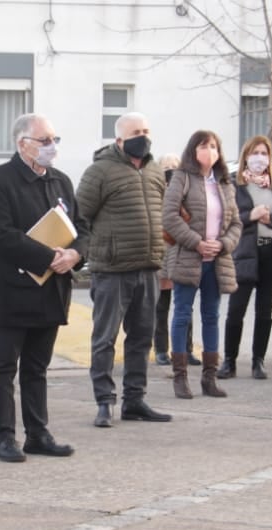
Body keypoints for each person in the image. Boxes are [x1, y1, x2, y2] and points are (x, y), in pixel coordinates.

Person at [0, 113, 87, 462]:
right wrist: (47, 256)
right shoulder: (1, 180)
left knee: (37, 366)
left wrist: (74, 255)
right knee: (5, 365)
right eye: (44, 141)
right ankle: (4, 437)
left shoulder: (61, 181)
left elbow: (82, 228)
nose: (51, 147)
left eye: (54, 140)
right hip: (18, 287)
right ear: (22, 143)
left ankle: (38, 433)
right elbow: (1, 234)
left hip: (53, 288)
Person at [77, 111, 171, 427]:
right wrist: (82, 254)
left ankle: (135, 400)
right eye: (135, 132)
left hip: (148, 267)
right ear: (119, 139)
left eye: (146, 130)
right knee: (105, 339)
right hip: (112, 269)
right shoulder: (99, 172)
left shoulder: (155, 170)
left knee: (141, 338)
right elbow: (81, 217)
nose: (142, 136)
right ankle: (104, 402)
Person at [162, 130, 242, 399]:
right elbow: (169, 216)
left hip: (216, 262)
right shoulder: (182, 178)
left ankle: (209, 377)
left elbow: (236, 224)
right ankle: (180, 377)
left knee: (211, 316)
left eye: (214, 146)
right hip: (188, 258)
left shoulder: (224, 183)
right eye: (204, 146)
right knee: (182, 313)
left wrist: (223, 244)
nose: (210, 151)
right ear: (193, 150)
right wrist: (196, 242)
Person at [218, 135, 272, 380]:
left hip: (271, 253)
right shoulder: (233, 184)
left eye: (264, 153)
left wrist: (270, 219)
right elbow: (226, 217)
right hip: (244, 254)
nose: (260, 158)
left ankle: (258, 360)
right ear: (246, 156)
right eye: (255, 153)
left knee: (265, 311)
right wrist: (250, 215)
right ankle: (229, 361)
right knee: (236, 310)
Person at [152, 154, 200, 368]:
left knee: (185, 307)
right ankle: (161, 349)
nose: (170, 171)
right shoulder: (155, 192)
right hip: (162, 253)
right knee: (160, 307)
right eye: (166, 168)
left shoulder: (186, 192)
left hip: (182, 253)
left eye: (174, 167)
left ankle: (186, 350)